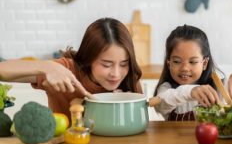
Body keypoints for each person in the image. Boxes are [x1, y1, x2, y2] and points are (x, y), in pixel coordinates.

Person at [0, 18, 143, 118]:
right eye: (106, 64)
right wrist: (47, 66)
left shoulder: (130, 78)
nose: (116, 74)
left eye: (124, 64)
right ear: (89, 57)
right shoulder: (66, 71)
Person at [153, 24, 232, 121]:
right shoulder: (166, 89)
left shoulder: (218, 89)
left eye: (193, 61)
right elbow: (161, 103)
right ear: (169, 63)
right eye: (177, 61)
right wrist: (191, 91)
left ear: (204, 63)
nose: (185, 68)